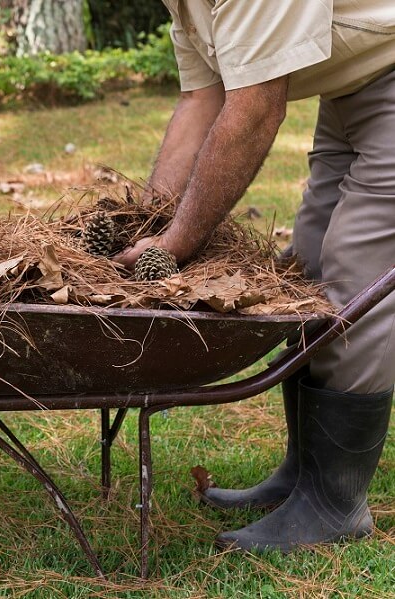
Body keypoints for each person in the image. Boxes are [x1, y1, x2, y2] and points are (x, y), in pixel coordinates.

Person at [114, 2, 394, 552]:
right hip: (354, 83)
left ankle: (335, 503)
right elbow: (202, 99)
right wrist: (148, 221)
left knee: (354, 279)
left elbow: (256, 109)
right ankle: (302, 473)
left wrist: (174, 244)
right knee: (307, 268)